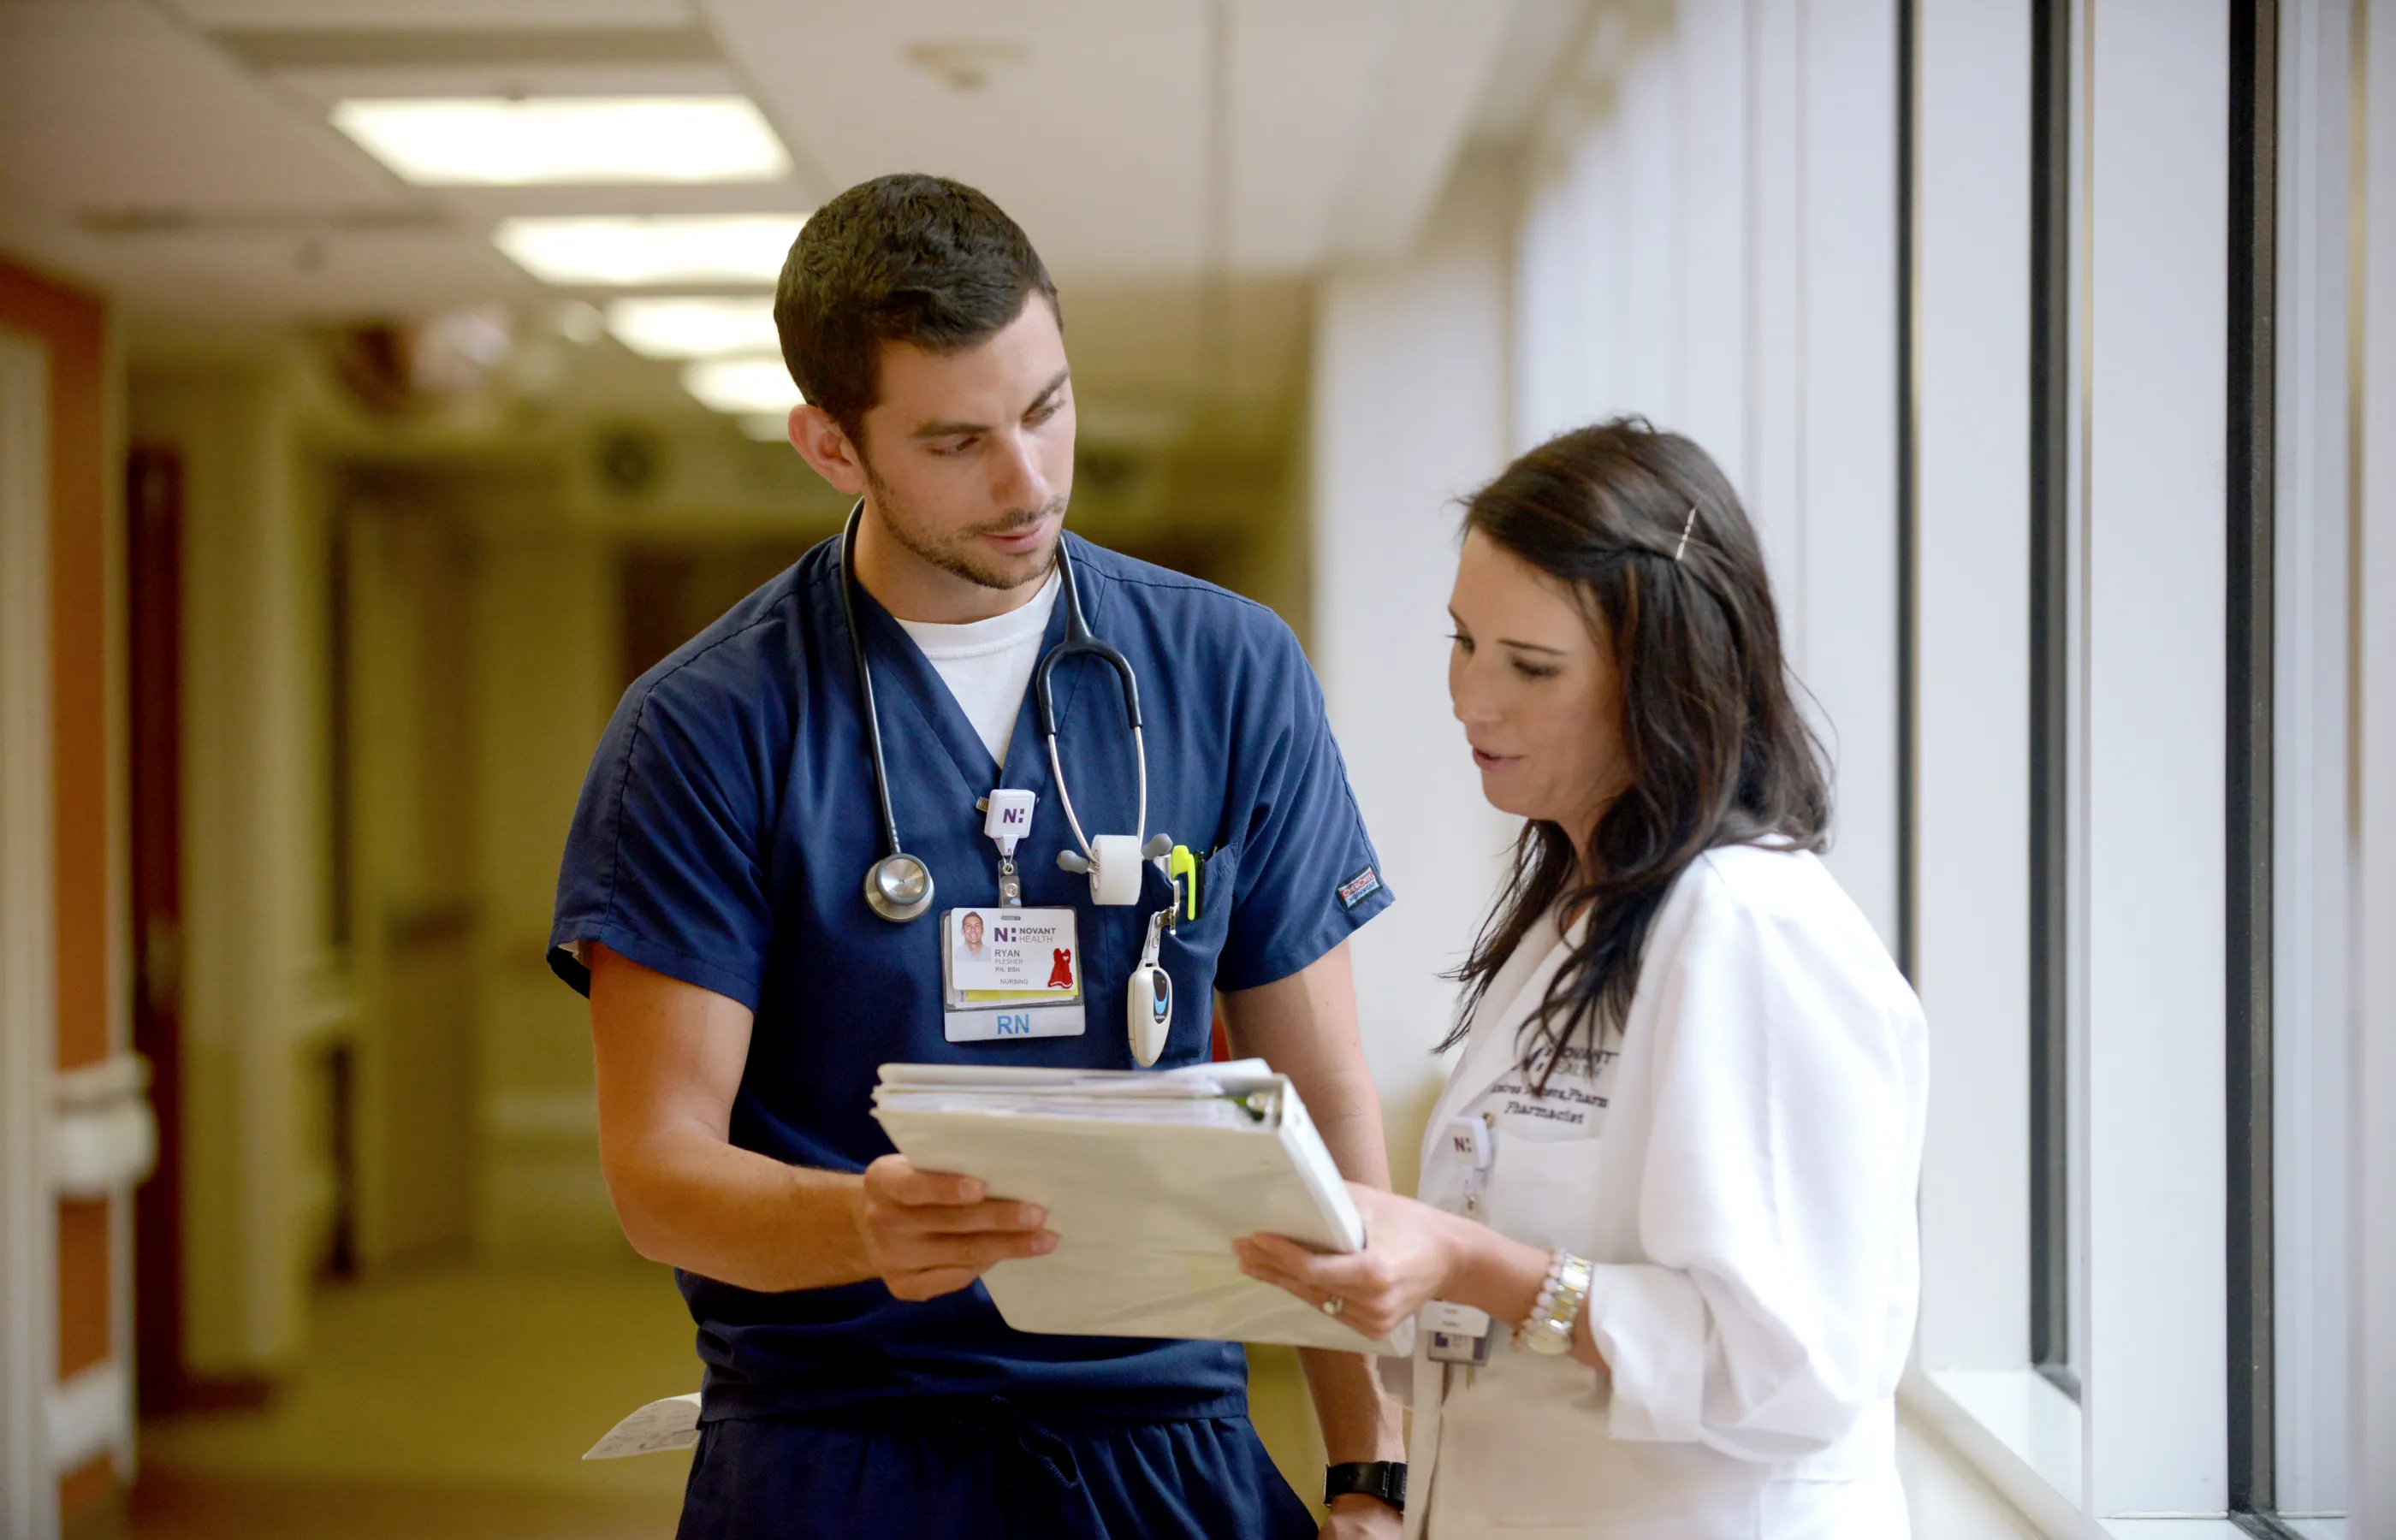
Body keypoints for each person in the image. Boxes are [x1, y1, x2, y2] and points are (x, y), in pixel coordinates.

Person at [550, 174, 1405, 1538]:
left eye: (1047, 407)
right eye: (957, 442)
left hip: (1162, 1435)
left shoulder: (1225, 671)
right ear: (832, 446)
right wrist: (859, 1227)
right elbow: (659, 1170)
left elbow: (1324, 1092)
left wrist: (1371, 1471)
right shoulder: (709, 728)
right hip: (839, 1444)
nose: (1029, 480)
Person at [1235, 419, 1929, 1537]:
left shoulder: (1752, 929)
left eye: (1532, 667)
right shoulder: (1581, 913)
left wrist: (1469, 1261)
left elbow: (1795, 1364)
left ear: (1666, 675)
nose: (1471, 699)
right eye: (1463, 642)